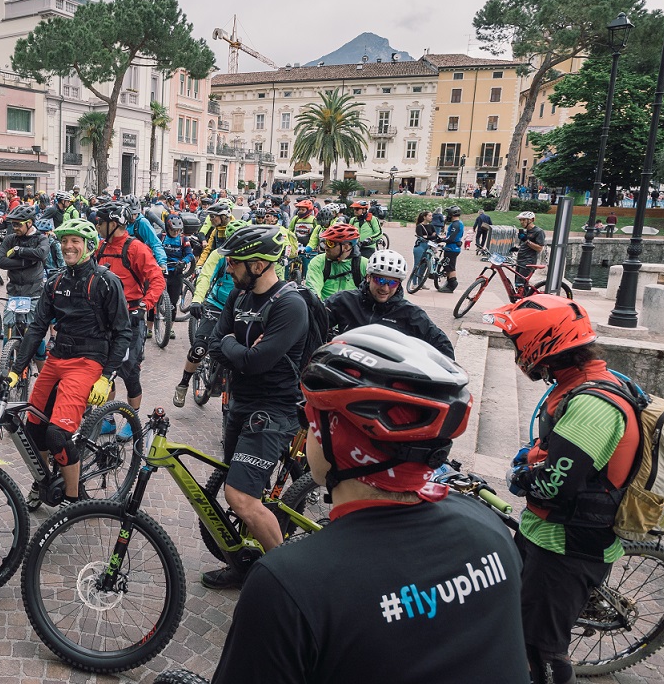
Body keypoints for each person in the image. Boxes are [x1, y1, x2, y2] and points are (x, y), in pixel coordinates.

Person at [211, 325, 524, 684]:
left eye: (309, 418)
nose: (306, 430)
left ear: (338, 440)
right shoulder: (491, 529)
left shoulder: (288, 585)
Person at [489, 295, 639, 684]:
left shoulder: (592, 405)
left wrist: (520, 478)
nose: (517, 353)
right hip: (548, 536)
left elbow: (554, 487)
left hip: (567, 547)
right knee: (518, 634)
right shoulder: (577, 383)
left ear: (543, 345)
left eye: (519, 344)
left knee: (541, 652)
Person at [202, 225, 309, 589]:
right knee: (245, 489)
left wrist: (236, 348)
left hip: (274, 410)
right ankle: (245, 564)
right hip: (240, 403)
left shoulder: (290, 305)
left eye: (235, 262)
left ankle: (287, 583)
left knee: (241, 497)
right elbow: (217, 343)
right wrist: (238, 348)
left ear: (260, 264)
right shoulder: (239, 296)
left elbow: (256, 362)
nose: (229, 268)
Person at [5, 219, 132, 508]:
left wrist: (107, 376)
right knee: (34, 428)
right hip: (57, 358)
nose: (68, 246)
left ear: (89, 245)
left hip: (88, 361)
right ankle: (44, 481)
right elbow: (37, 327)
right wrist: (15, 370)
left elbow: (124, 332)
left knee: (58, 435)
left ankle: (72, 502)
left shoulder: (105, 281)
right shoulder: (56, 281)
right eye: (64, 241)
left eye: (75, 241)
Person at [94, 203, 165, 424]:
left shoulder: (136, 248)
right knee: (105, 370)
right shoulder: (101, 246)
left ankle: (132, 421)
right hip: (104, 320)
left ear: (113, 224)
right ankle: (107, 420)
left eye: (100, 222)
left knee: (131, 371)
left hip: (130, 319)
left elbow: (157, 279)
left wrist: (146, 304)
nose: (97, 226)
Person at [174, 218, 249, 407]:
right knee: (200, 348)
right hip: (216, 304)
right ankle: (183, 384)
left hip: (242, 308)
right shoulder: (219, 255)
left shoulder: (252, 258)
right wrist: (198, 300)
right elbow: (206, 276)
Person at [326, 250, 455, 358]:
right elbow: (315, 322)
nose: (385, 288)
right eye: (380, 280)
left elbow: (443, 346)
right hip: (346, 371)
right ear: (368, 277)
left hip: (386, 379)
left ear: (399, 284)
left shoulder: (410, 313)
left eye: (393, 283)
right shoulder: (344, 301)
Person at [0, 204, 51, 333]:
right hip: (14, 291)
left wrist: (18, 250)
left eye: (18, 225)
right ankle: (7, 352)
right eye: (13, 224)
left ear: (29, 223)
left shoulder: (41, 238)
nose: (15, 228)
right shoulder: (10, 239)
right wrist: (26, 262)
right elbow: (1, 261)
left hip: (34, 293)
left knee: (34, 330)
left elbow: (41, 253)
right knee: (8, 327)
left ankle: (38, 353)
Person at [305, 223, 367, 300]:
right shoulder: (318, 262)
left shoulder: (364, 265)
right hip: (324, 309)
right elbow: (313, 291)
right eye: (325, 242)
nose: (326, 247)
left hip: (353, 311)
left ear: (346, 247)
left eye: (330, 244)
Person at [514, 210, 546, 295]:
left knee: (522, 285)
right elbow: (525, 246)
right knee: (519, 285)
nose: (521, 222)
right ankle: (525, 300)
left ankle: (527, 302)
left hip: (528, 262)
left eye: (523, 220)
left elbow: (539, 248)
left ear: (531, 220)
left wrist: (526, 241)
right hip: (520, 261)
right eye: (520, 220)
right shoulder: (526, 231)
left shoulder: (538, 232)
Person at [409, 210, 438, 292]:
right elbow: (421, 237)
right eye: (429, 216)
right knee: (417, 265)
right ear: (424, 217)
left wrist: (428, 236)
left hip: (429, 247)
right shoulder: (419, 226)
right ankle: (414, 283)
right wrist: (430, 236)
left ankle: (420, 282)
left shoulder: (431, 226)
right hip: (420, 247)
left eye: (431, 216)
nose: (431, 217)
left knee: (425, 265)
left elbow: (435, 236)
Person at [438, 206, 464, 294]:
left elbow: (451, 238)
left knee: (451, 267)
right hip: (451, 247)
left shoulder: (455, 224)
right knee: (448, 266)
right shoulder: (458, 223)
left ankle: (452, 284)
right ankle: (449, 282)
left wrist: (442, 240)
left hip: (452, 248)